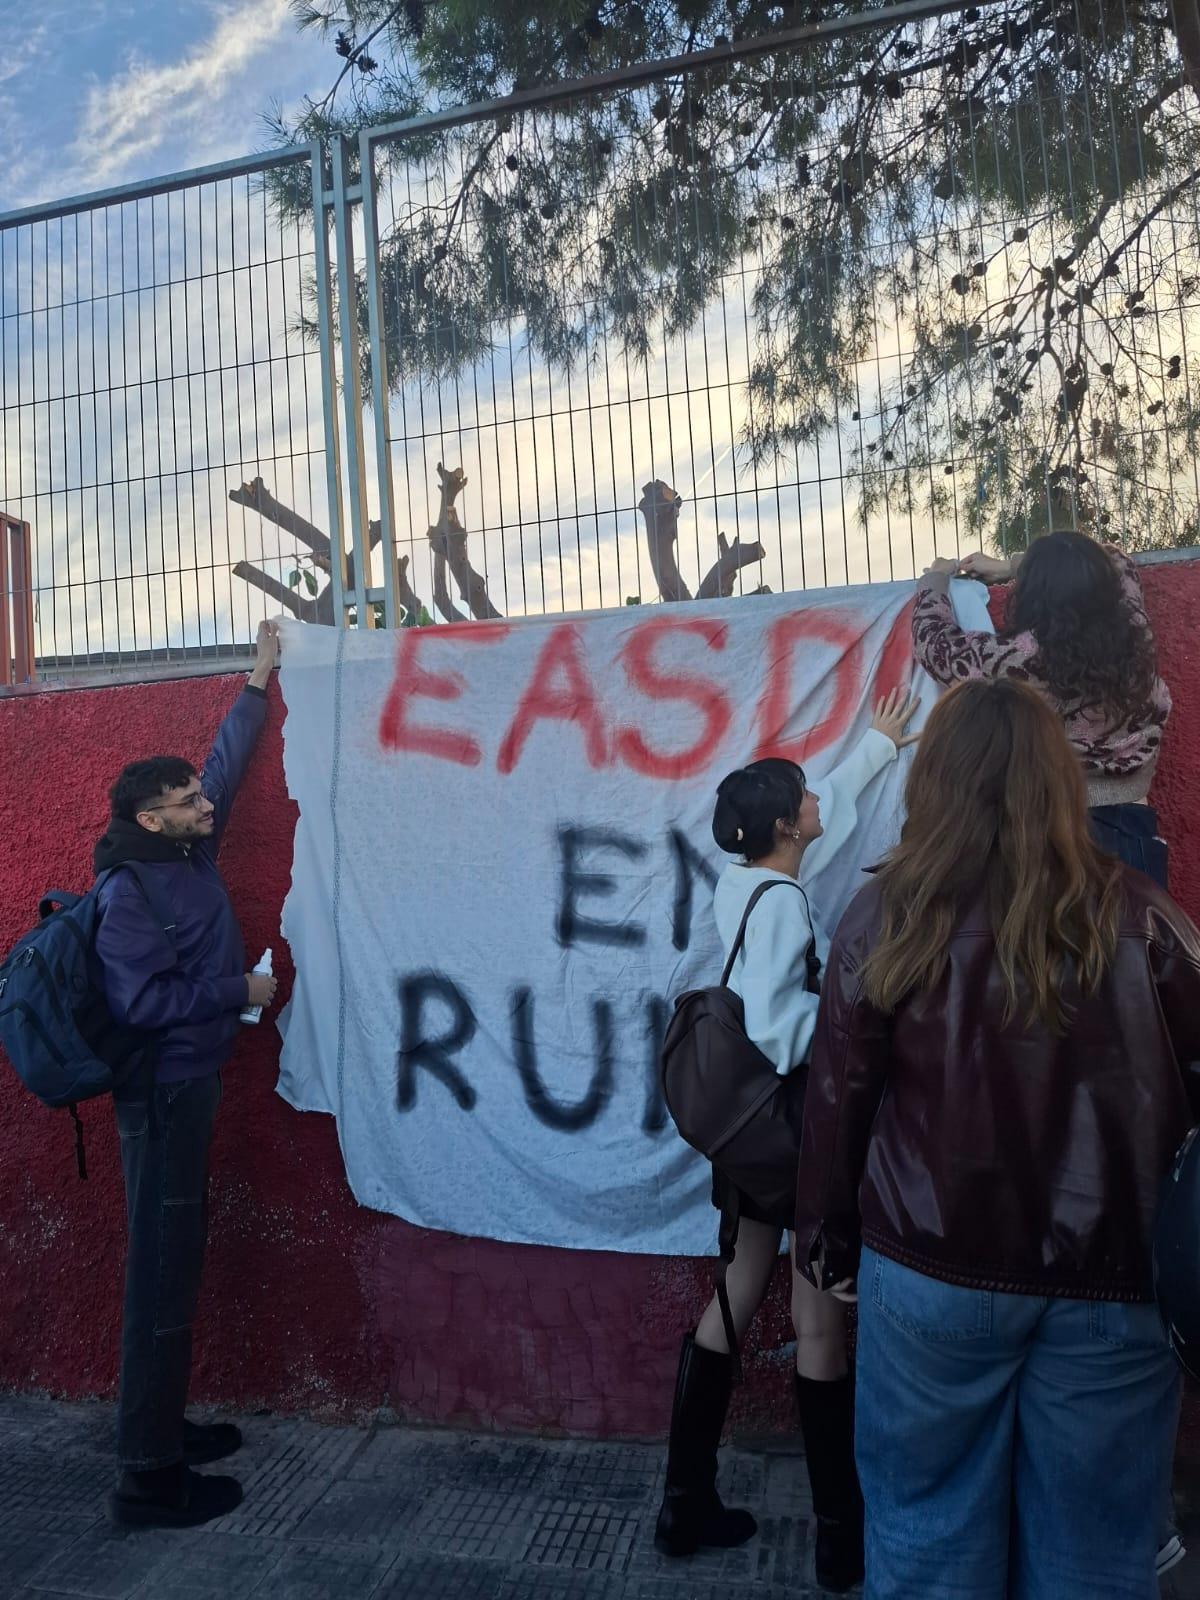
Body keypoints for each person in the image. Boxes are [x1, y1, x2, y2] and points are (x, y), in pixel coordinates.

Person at [794, 677, 1200, 1600]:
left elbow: (836, 1102)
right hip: (1117, 1282)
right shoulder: (1145, 915)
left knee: (926, 1545)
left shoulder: (885, 916)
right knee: (1094, 1558)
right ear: (1060, 781)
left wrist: (827, 1243)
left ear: (935, 779)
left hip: (932, 1271)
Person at [655, 687, 919, 1593]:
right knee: (818, 1322)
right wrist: (851, 1018)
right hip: (791, 1129)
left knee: (735, 1295)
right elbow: (774, 1029)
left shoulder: (750, 880)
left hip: (749, 1139)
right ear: (781, 826)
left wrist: (876, 747)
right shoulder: (782, 905)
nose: (815, 802)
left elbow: (826, 817)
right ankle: (840, 1537)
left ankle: (683, 1502)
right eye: (802, 796)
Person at [95, 619, 282, 1530]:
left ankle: (163, 1430)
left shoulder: (183, 849)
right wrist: (239, 989)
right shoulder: (128, 893)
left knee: (178, 1260)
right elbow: (142, 1003)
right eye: (184, 801)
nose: (203, 804)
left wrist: (258, 680)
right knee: (161, 1273)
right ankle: (147, 1478)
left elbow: (223, 769)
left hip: (190, 1087)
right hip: (163, 1096)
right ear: (150, 819)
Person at [914, 530, 1172, 887]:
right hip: (1134, 829)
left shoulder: (1018, 658)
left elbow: (934, 645)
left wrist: (935, 579)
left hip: (1051, 833)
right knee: (1142, 922)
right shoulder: (1133, 628)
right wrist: (1012, 565)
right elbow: (1116, 558)